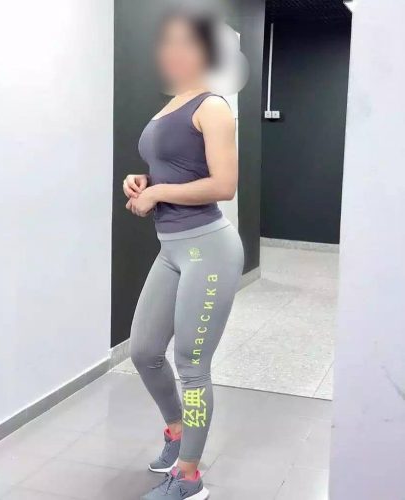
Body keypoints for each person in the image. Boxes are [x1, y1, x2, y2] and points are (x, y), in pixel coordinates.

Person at [123, 8, 244, 500]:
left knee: (192, 365)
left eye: (186, 43)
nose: (174, 52)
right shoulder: (172, 104)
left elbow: (224, 185)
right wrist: (142, 181)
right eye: (168, 42)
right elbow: (173, 167)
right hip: (171, 249)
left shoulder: (213, 106)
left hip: (208, 249)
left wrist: (157, 194)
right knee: (144, 351)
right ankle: (177, 430)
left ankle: (190, 478)